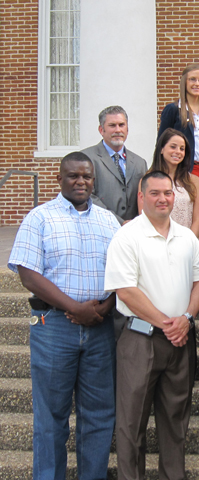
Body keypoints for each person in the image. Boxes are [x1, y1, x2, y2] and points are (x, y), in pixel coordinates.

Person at [8, 152, 120, 480]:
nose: (81, 181)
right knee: (51, 418)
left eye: (86, 176)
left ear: (93, 179)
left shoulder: (107, 220)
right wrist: (76, 308)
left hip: (100, 329)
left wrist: (105, 305)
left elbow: (123, 272)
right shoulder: (39, 218)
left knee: (99, 416)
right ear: (59, 179)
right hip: (55, 327)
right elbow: (28, 274)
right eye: (73, 176)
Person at [105, 170, 199, 479]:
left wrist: (187, 318)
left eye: (167, 193)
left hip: (180, 342)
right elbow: (126, 291)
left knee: (176, 425)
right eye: (155, 193)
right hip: (141, 341)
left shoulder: (186, 237)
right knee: (130, 426)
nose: (163, 198)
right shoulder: (127, 236)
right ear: (141, 197)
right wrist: (169, 324)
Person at [159, 64, 199, 251]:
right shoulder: (173, 109)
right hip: (183, 169)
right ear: (184, 82)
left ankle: (196, 262)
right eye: (192, 79)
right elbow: (162, 141)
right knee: (179, 215)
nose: (197, 84)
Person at [82, 105, 147, 225]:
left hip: (133, 233)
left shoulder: (140, 163)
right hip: (99, 229)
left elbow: (144, 197)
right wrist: (119, 222)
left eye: (121, 125)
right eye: (112, 125)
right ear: (101, 130)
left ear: (127, 129)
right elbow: (87, 195)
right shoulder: (86, 158)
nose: (118, 130)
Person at [140, 128, 199, 241]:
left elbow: (197, 220)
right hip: (155, 242)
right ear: (161, 149)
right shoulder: (147, 180)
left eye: (182, 148)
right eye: (173, 147)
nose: (178, 151)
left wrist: (189, 243)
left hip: (185, 242)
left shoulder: (194, 181)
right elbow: (143, 215)